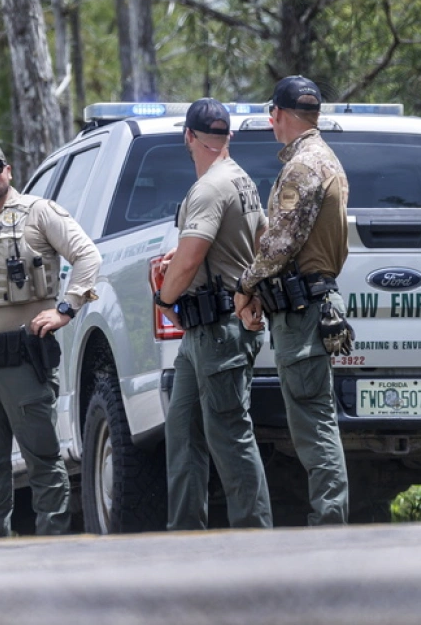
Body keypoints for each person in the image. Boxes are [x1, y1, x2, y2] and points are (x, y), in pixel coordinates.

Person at [0, 139, 100, 539]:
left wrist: (65, 309)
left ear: (8, 171)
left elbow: (88, 256)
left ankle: (52, 548)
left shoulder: (39, 213)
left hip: (23, 359)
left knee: (42, 458)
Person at [234, 76, 351, 526]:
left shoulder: (303, 166)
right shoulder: (327, 158)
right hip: (311, 302)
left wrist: (246, 285)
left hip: (302, 311)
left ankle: (329, 521)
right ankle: (330, 517)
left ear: (279, 114)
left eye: (272, 114)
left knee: (312, 423)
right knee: (315, 418)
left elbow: (280, 242)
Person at [153, 98, 272, 531]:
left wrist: (164, 300)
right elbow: (261, 240)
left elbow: (189, 260)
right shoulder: (241, 179)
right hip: (206, 331)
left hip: (219, 328)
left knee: (230, 434)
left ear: (189, 136)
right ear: (228, 136)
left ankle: (254, 537)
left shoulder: (209, 188)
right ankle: (186, 536)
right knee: (182, 432)